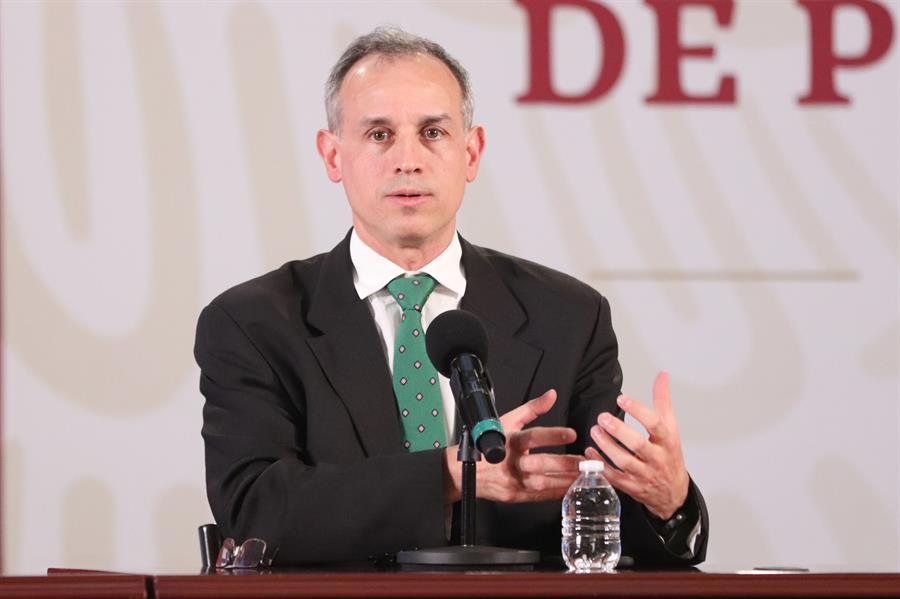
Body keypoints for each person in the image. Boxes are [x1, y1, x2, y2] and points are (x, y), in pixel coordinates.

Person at [195, 27, 708, 566]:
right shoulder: (253, 323)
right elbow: (256, 511)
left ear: (471, 152)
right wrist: (448, 475)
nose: (408, 160)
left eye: (433, 132)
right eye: (379, 134)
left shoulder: (569, 317)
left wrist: (668, 502)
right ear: (332, 155)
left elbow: (605, 528)